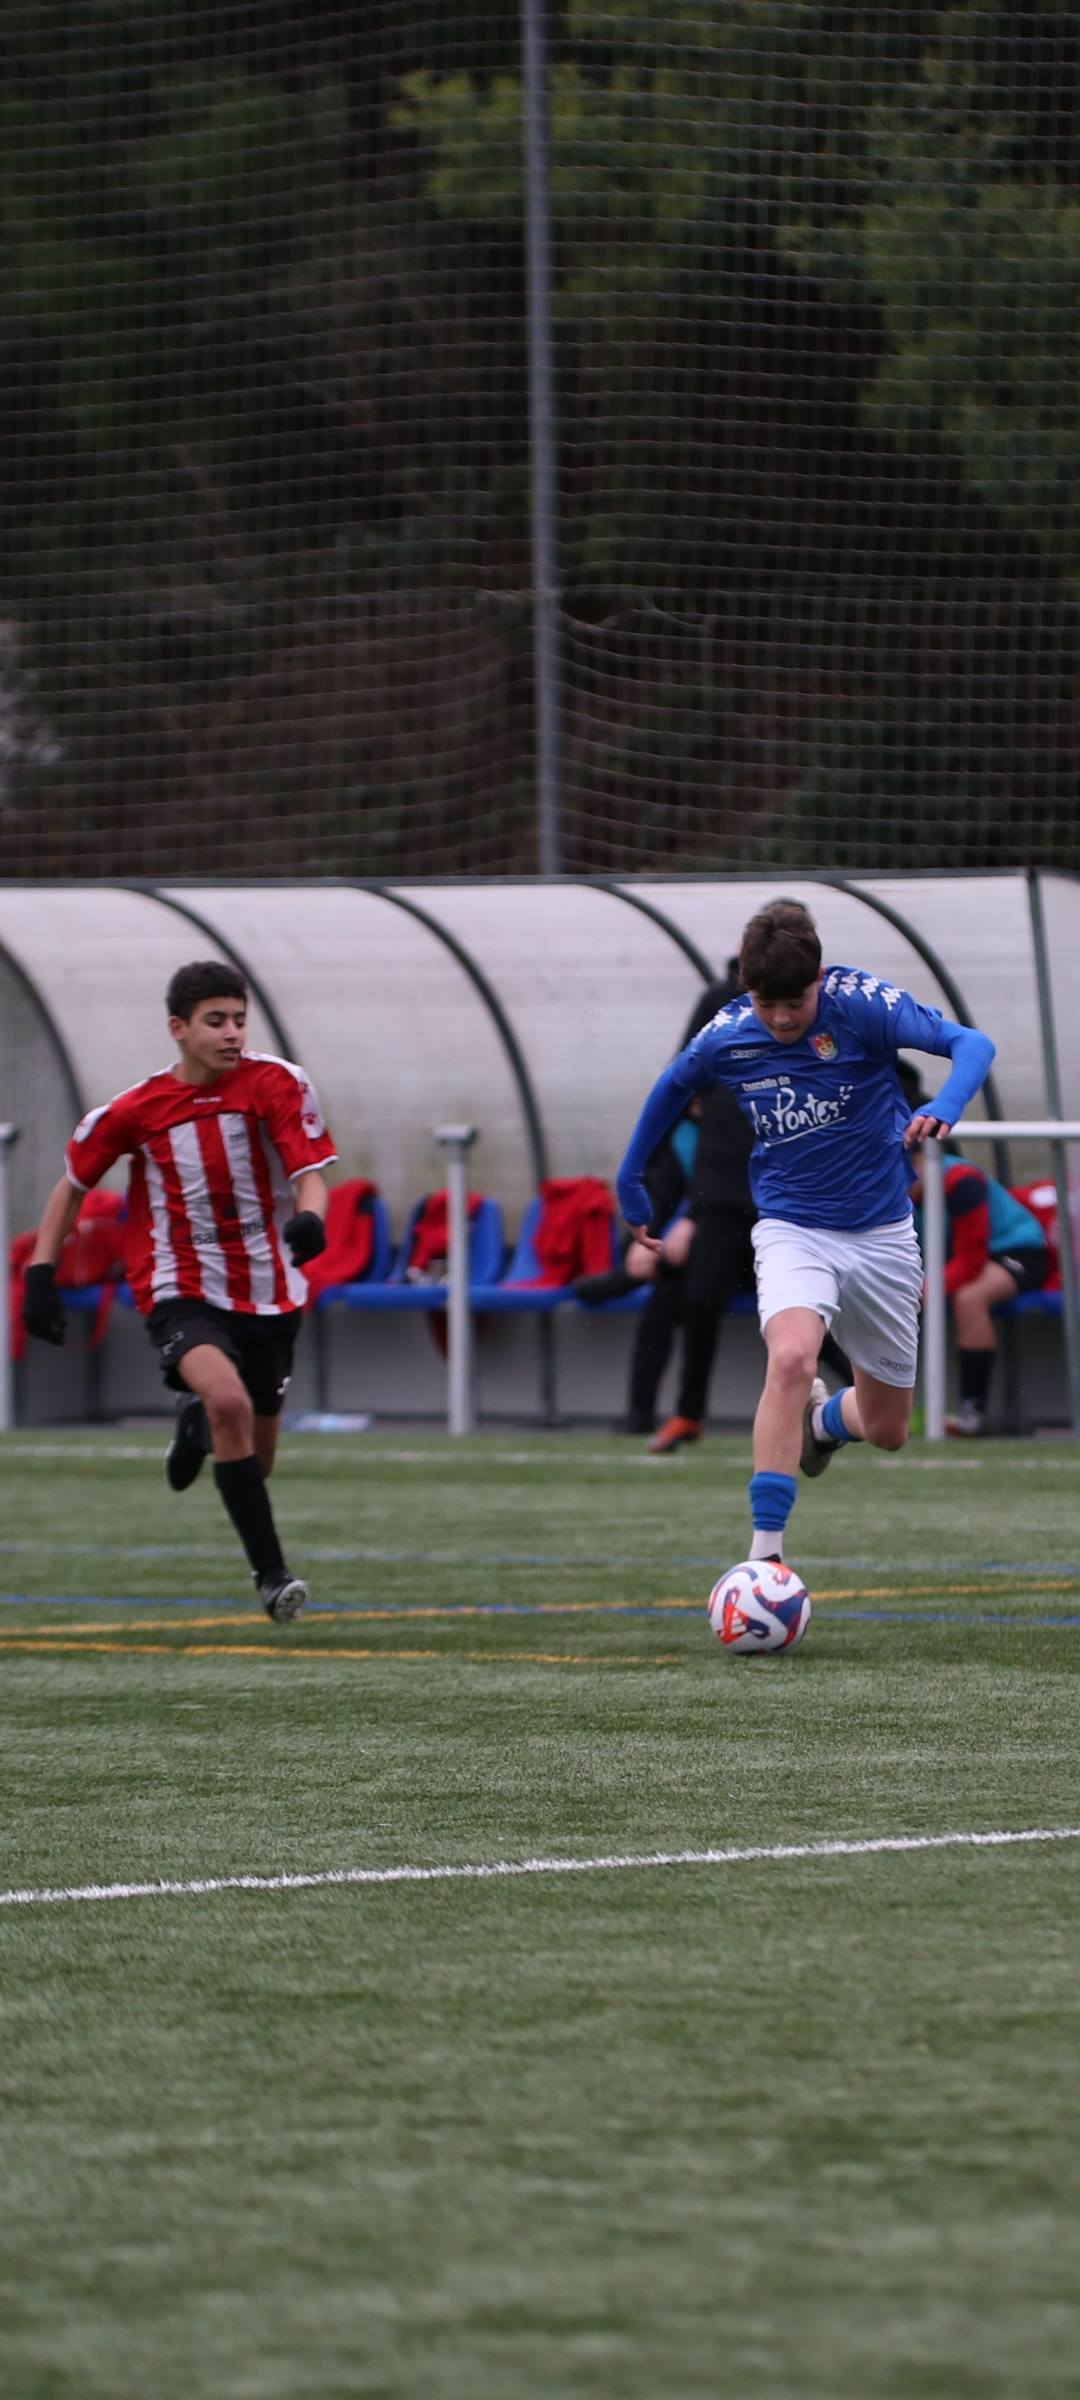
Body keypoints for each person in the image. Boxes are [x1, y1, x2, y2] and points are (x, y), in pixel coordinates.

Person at [615, 898, 996, 1564]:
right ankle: (765, 1557)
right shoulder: (728, 1033)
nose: (784, 1018)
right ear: (747, 990)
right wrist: (630, 1178)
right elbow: (672, 1086)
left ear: (819, 978)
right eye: (768, 1004)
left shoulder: (864, 1005)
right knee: (791, 1357)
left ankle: (824, 1423)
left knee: (887, 1429)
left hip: (882, 1235)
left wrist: (947, 1101)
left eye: (796, 1002)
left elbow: (973, 1044)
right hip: (792, 1226)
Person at [21, 961, 335, 1622]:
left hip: (272, 1289)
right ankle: (272, 1577)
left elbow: (310, 1173)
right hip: (179, 1284)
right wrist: (40, 1274)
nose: (231, 1033)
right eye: (215, 1021)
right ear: (178, 1028)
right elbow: (73, 1186)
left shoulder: (278, 1082)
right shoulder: (135, 1110)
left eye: (239, 1020)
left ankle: (194, 1427)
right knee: (228, 1401)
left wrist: (311, 1220)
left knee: (255, 1458)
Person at [907, 1145, 1052, 1436]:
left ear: (919, 1158)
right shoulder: (887, 1187)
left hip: (1018, 1252)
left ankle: (973, 1412)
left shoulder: (961, 1180)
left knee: (970, 1299)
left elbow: (970, 1261)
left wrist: (918, 1292)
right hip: (956, 1261)